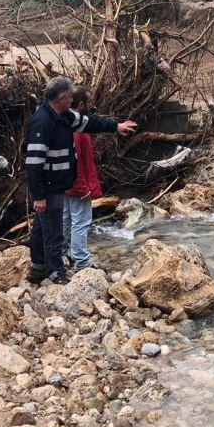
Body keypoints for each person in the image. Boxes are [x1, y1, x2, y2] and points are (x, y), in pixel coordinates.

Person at [25, 77, 136, 284]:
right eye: (69, 97)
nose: (71, 101)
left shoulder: (64, 116)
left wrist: (115, 127)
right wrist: (39, 196)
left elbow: (89, 123)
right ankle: (55, 273)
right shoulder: (42, 122)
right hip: (49, 187)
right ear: (61, 97)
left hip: (60, 185)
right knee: (54, 232)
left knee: (42, 228)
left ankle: (37, 268)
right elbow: (33, 164)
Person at [63, 89, 104, 271]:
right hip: (77, 186)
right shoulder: (78, 131)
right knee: (81, 223)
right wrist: (84, 188)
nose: (91, 105)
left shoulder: (65, 123)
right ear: (80, 105)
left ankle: (63, 254)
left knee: (65, 220)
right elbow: (77, 162)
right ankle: (82, 262)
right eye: (88, 102)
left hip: (64, 185)